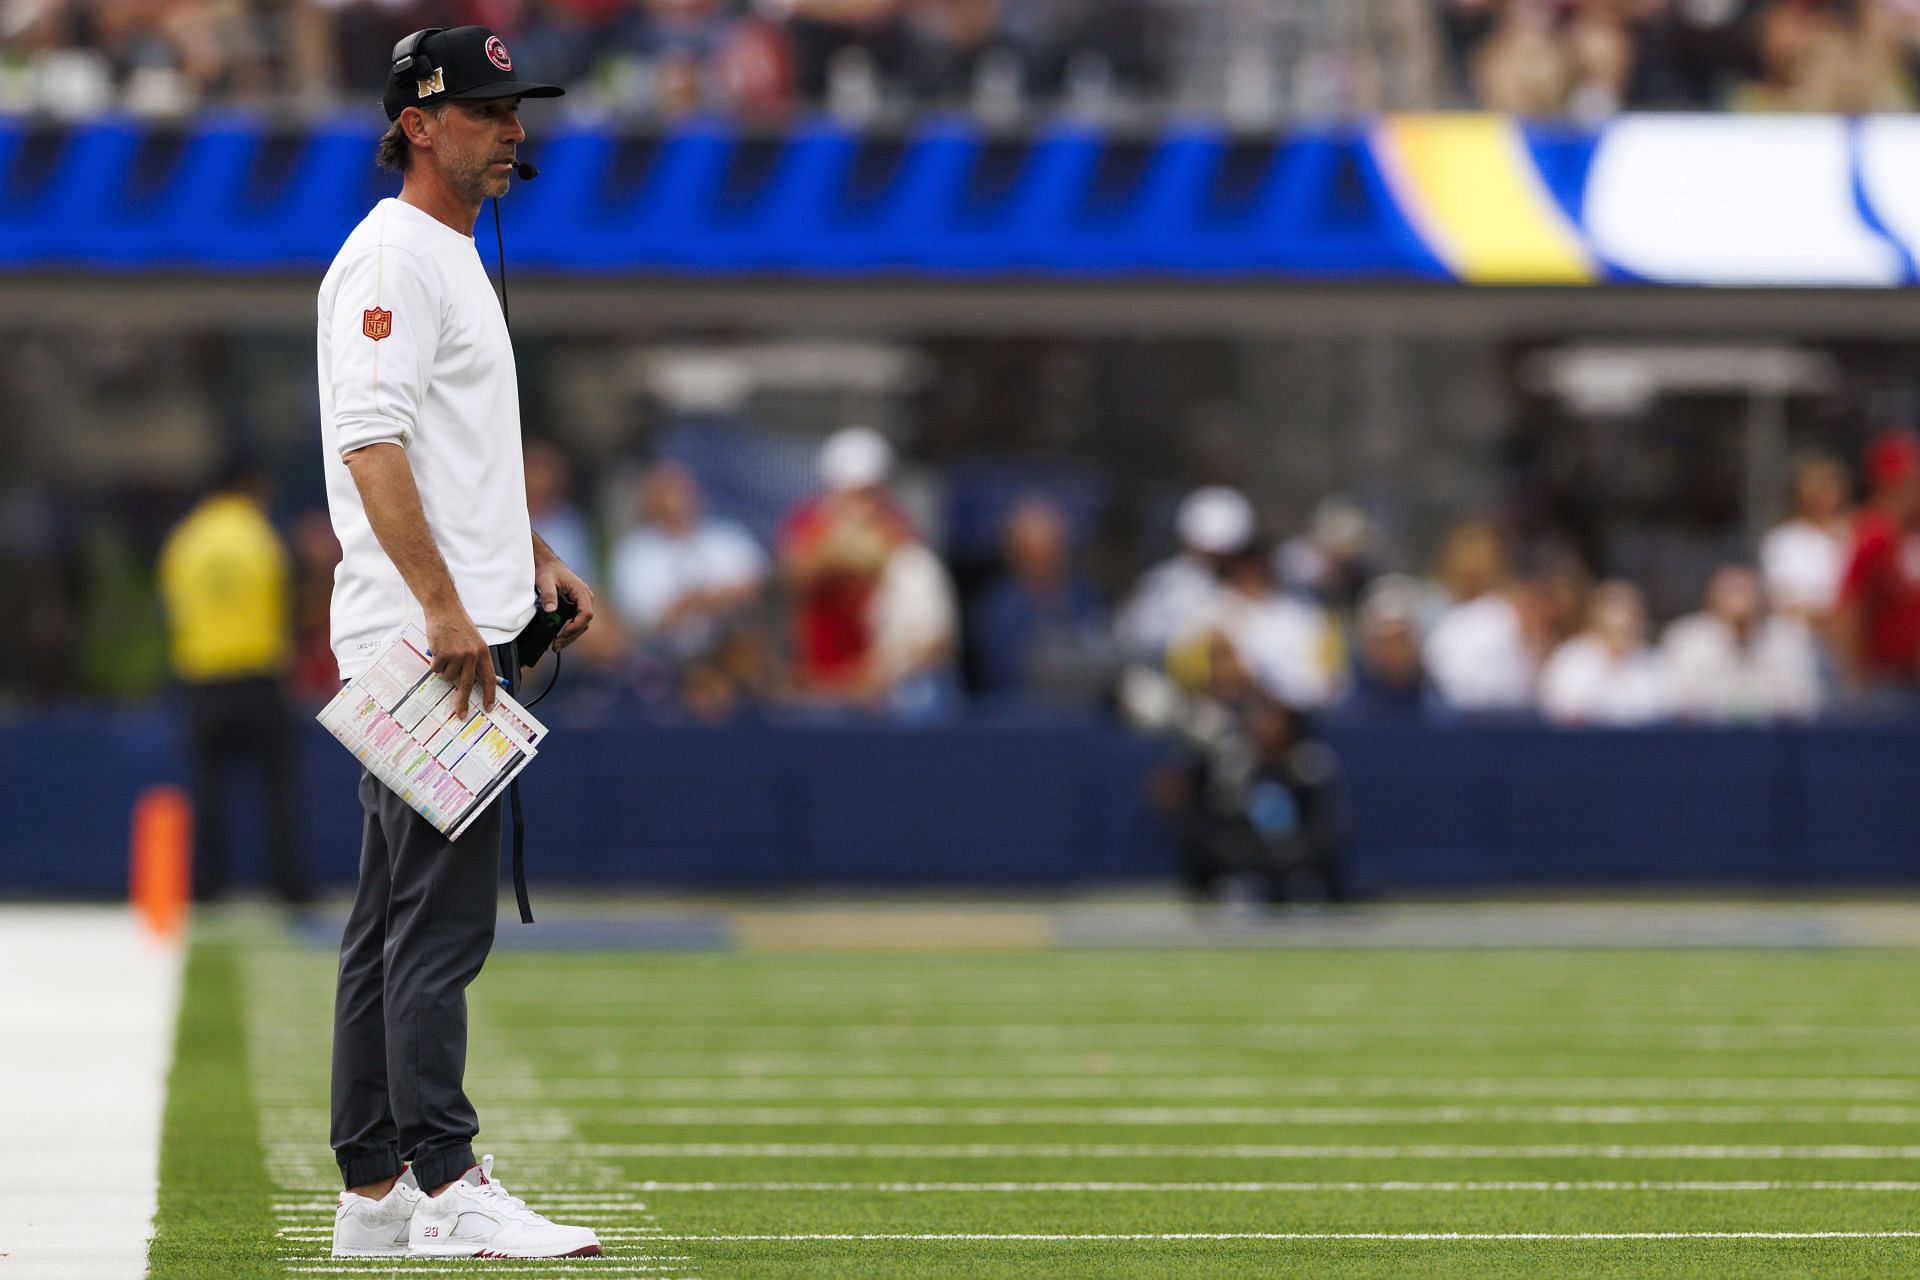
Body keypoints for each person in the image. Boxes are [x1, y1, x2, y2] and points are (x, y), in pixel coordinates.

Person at [315, 26, 601, 1261]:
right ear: (417, 123)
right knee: (438, 925)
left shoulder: (445, 255)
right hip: (428, 641)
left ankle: (376, 1188)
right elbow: (371, 444)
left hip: (447, 624)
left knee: (390, 918)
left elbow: (450, 449)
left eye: (513, 109)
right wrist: (443, 607)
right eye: (486, 109)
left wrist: (524, 552)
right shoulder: (392, 256)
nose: (512, 129)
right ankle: (446, 1180)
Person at [156, 455, 311, 905]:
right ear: (248, 484)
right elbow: (289, 598)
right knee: (277, 790)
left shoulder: (186, 539)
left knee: (207, 790)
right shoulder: (261, 535)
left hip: (202, 678)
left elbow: (172, 605)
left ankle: (207, 886)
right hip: (259, 676)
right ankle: (287, 885)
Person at [778, 425, 915, 702]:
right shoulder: (810, 520)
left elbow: (910, 581)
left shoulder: (895, 522)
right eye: (854, 491)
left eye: (869, 490)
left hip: (881, 673)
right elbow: (795, 577)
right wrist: (836, 540)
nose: (862, 500)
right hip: (822, 668)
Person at [607, 460, 768, 663]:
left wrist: (700, 601)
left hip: (729, 652)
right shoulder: (633, 551)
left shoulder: (727, 536)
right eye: (667, 493)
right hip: (662, 657)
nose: (678, 501)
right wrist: (701, 602)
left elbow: (755, 586)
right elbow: (646, 621)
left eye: (683, 492)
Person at [971, 497, 1110, 707]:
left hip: (1084, 716)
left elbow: (1103, 662)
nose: (1041, 563)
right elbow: (1003, 674)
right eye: (1030, 554)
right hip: (1020, 717)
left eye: (1050, 552)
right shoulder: (1000, 608)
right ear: (1014, 555)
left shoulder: (1086, 598)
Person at [1662, 564, 1822, 723]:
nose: (1739, 602)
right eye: (1730, 592)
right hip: (1704, 741)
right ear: (1711, 600)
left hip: (1774, 741)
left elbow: (1804, 703)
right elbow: (1680, 704)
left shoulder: (1789, 638)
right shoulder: (1687, 639)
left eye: (1745, 591)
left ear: (1762, 599)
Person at [1115, 485, 1252, 664]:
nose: (1216, 559)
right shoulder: (1162, 583)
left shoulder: (1250, 588)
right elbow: (1133, 637)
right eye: (1209, 551)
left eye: (1223, 552)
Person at [1833, 431, 1920, 707]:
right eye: (1904, 484)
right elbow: (1849, 609)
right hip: (1884, 678)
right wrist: (1855, 675)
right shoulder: (1871, 535)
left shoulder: (1911, 533)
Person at [1423, 521, 1538, 715]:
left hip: (1509, 719)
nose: (1471, 569)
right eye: (1464, 560)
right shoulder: (1435, 613)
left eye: (1479, 560)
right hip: (1452, 720)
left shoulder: (1509, 612)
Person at [1539, 580, 1672, 726]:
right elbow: (1560, 709)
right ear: (1595, 621)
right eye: (1613, 627)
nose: (1622, 634)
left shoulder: (1654, 661)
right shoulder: (1571, 657)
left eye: (1629, 626)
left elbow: (1666, 711)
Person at [1760, 453, 1851, 623]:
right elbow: (1786, 600)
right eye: (1818, 488)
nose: (1826, 495)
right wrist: (1834, 618)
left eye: (1831, 486)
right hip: (1800, 641)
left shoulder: (1850, 532)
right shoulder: (1784, 540)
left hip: (1845, 643)